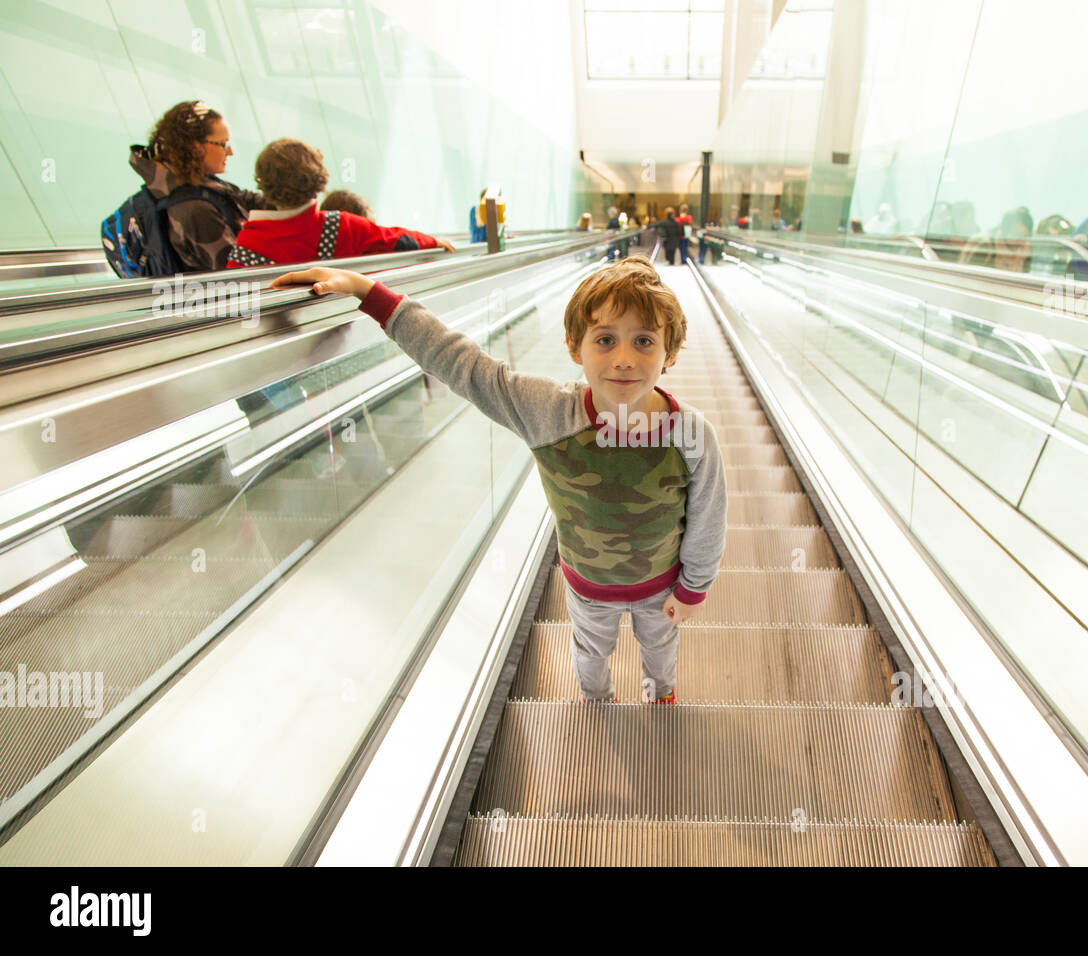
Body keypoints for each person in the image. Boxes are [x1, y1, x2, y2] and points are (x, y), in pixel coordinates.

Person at [270, 256, 727, 705]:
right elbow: (462, 364)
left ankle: (659, 695)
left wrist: (693, 590)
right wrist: (369, 294)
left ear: (670, 351)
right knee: (591, 653)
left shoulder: (691, 434)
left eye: (644, 341)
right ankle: (598, 705)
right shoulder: (547, 411)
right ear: (574, 347)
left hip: (661, 586)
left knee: (660, 650)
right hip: (588, 587)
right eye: (605, 340)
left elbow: (708, 519)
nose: (624, 359)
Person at [226, 138, 452, 267]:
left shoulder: (248, 243)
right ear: (317, 179)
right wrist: (433, 241)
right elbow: (395, 239)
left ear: (263, 182)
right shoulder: (342, 226)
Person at [128, 100, 269, 271]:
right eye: (223, 144)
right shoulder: (193, 208)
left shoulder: (198, 185)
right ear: (195, 147)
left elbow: (244, 199)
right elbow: (235, 273)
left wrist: (294, 197)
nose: (230, 151)